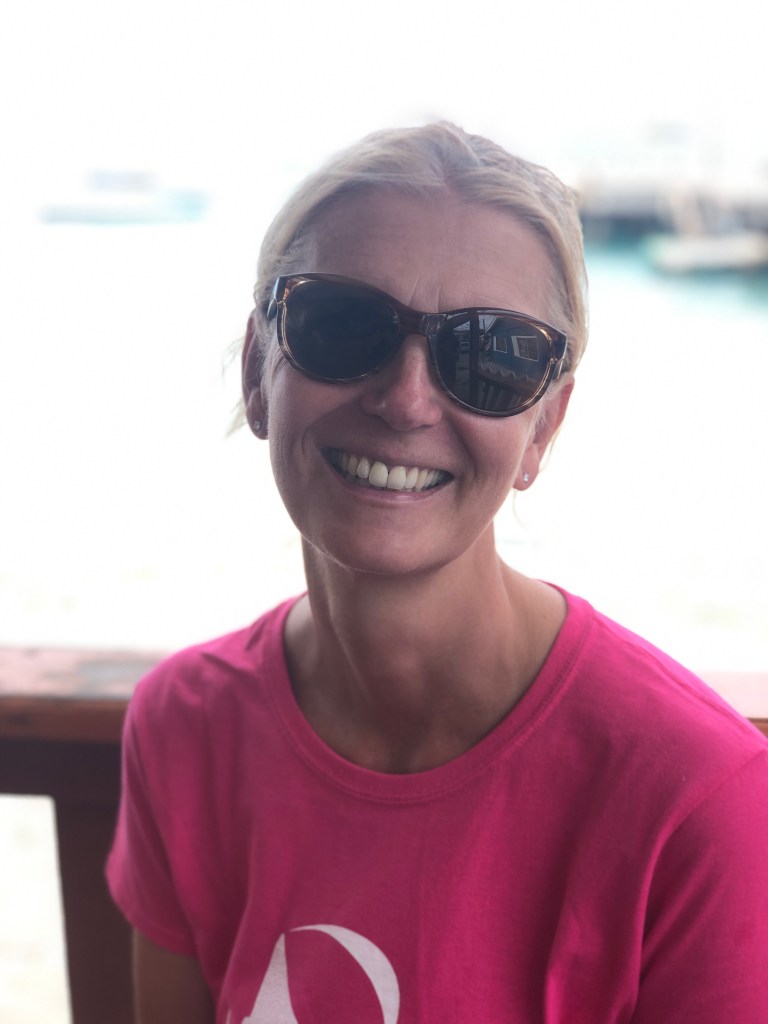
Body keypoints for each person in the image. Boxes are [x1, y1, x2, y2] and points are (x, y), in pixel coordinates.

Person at [107, 123, 768, 1023]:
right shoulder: (184, 728)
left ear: (542, 428)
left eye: (490, 356)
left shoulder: (694, 803)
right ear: (260, 369)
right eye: (343, 326)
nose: (406, 400)